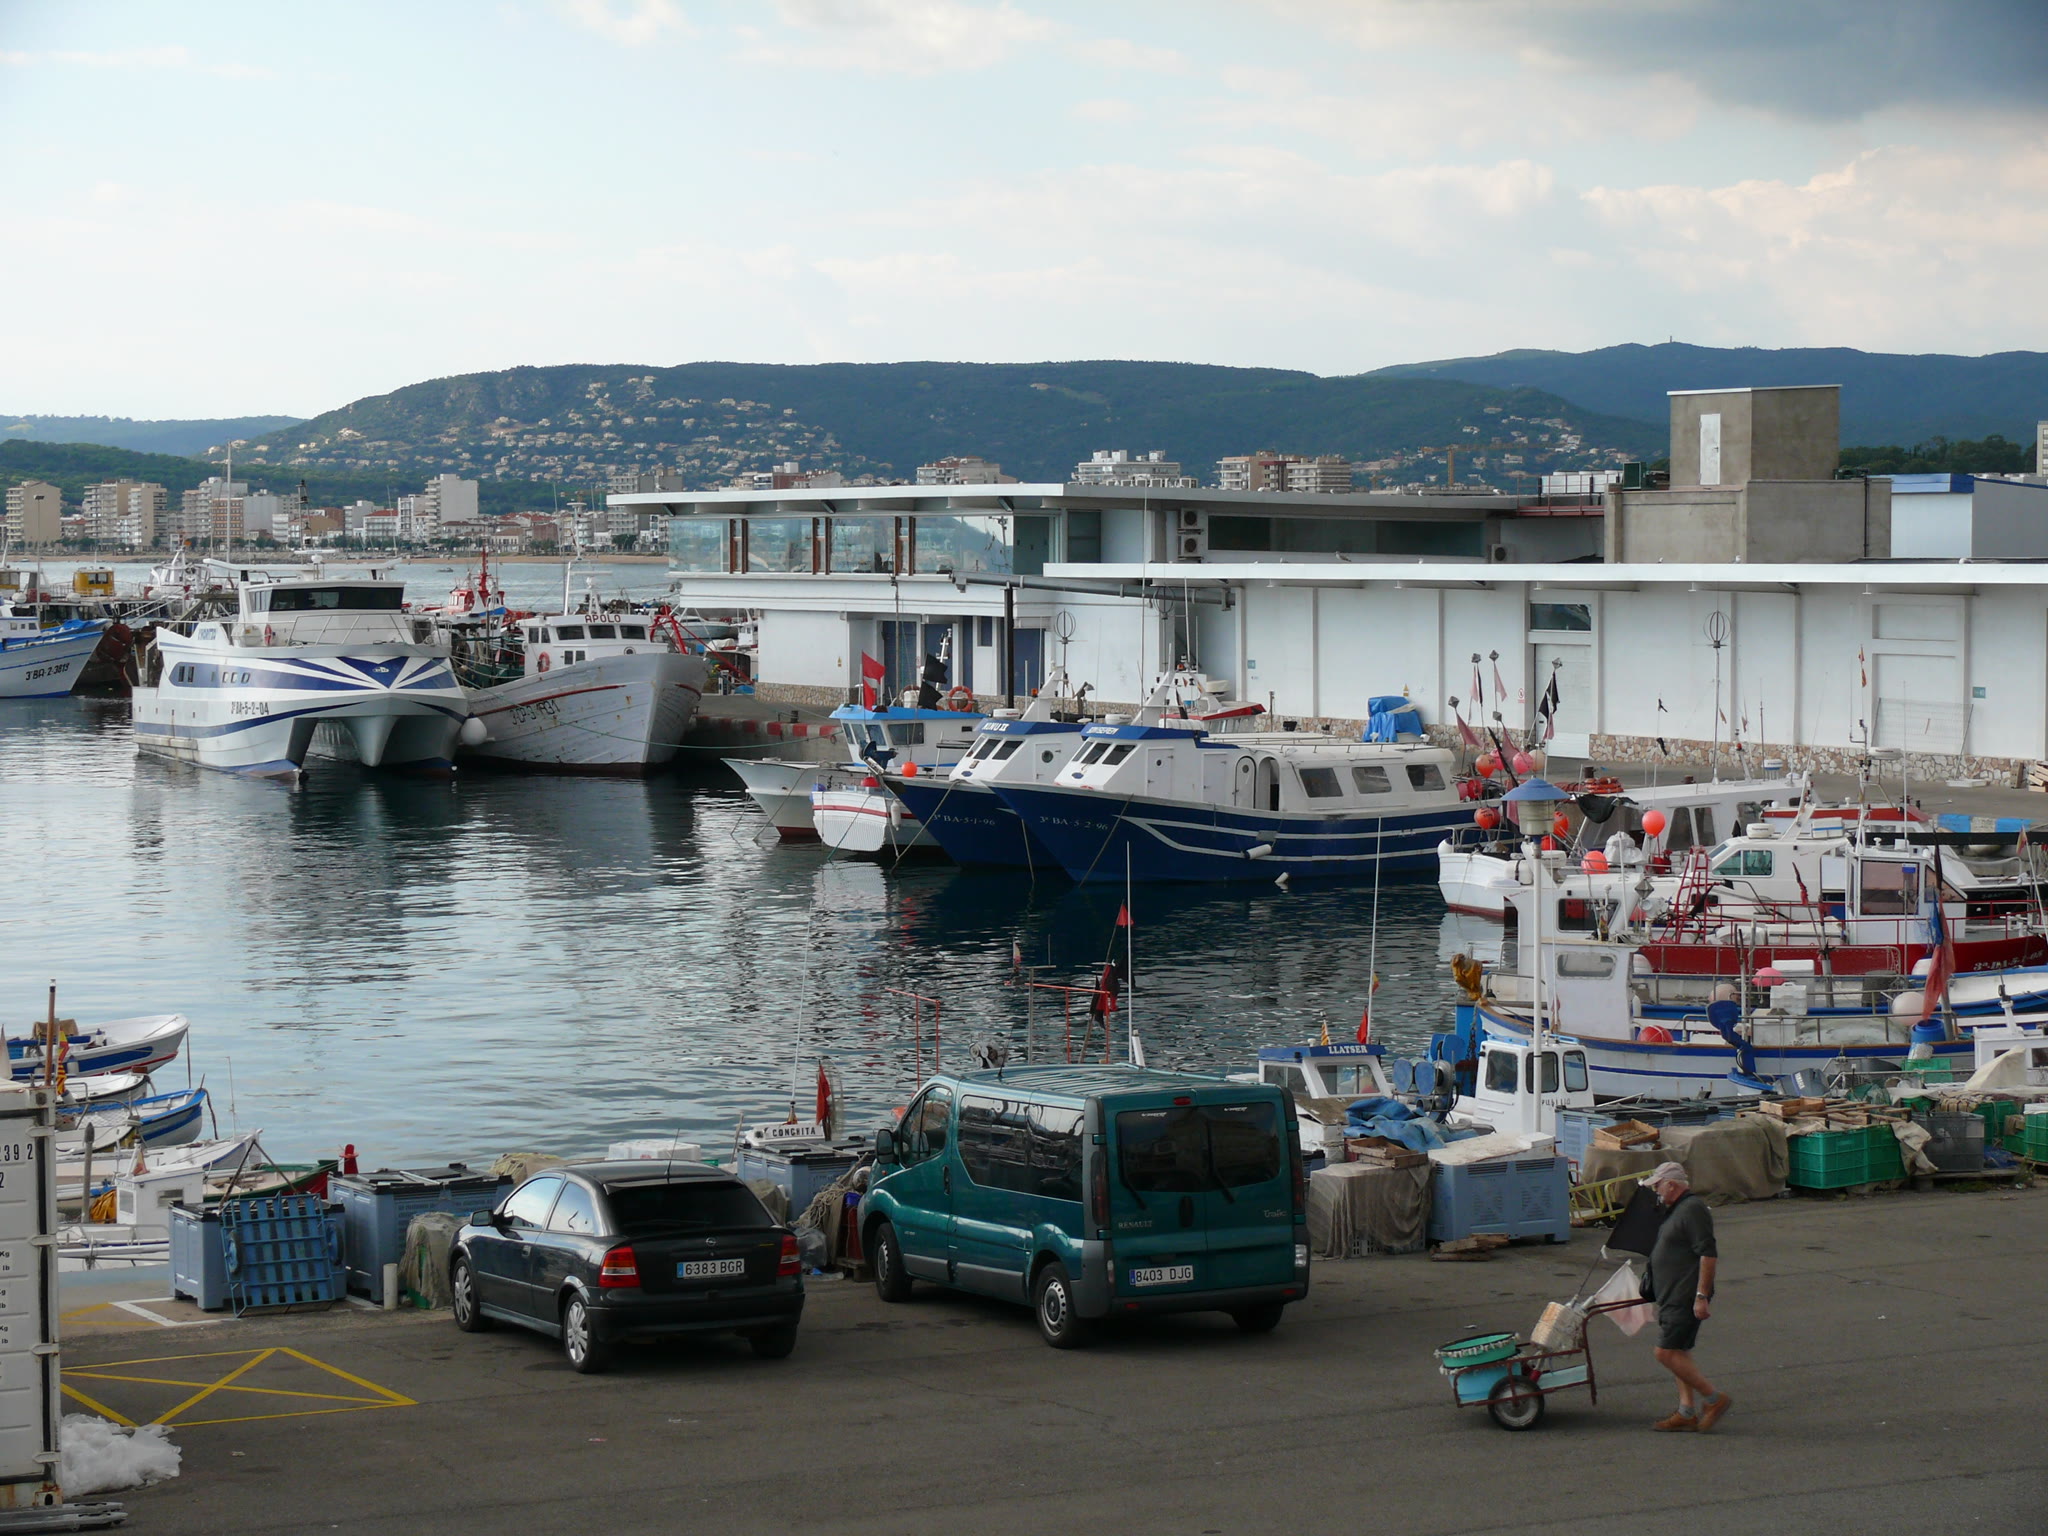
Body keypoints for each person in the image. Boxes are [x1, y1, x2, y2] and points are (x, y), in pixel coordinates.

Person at [1644, 1161, 1731, 1432]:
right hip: (1671, 1294)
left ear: (1672, 1185)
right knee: (1679, 1352)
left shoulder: (1692, 1209)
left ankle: (1714, 1399)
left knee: (1665, 1352)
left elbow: (1708, 1253)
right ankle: (1686, 1411)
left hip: (1684, 1295)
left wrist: (1701, 1296)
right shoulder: (1676, 1210)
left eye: (1658, 1186)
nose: (1656, 1191)